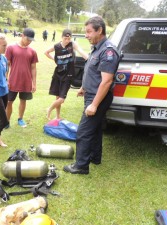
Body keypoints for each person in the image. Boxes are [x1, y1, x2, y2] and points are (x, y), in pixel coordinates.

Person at [63, 16, 119, 175]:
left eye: (89, 31)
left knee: (84, 132)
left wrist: (94, 104)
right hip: (92, 94)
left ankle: (81, 166)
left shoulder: (108, 51)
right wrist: (83, 87)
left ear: (99, 30)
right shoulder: (97, 48)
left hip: (98, 98)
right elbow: (93, 72)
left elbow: (106, 81)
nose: (86, 35)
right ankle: (95, 157)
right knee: (95, 129)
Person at [45, 29, 88, 120]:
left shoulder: (73, 44)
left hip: (68, 75)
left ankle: (49, 109)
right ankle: (58, 116)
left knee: (62, 99)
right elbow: (46, 52)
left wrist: (89, 59)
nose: (67, 41)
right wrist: (55, 60)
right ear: (62, 37)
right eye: (65, 38)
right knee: (58, 97)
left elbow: (82, 52)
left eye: (69, 39)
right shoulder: (56, 46)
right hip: (58, 74)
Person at [5, 28, 38, 128]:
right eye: (28, 39)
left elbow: (33, 68)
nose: (29, 42)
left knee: (23, 100)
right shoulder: (11, 48)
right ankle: (6, 121)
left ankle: (20, 118)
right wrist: (6, 79)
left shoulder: (32, 51)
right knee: (9, 101)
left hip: (26, 81)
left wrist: (34, 83)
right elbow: (6, 65)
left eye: (31, 40)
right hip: (13, 81)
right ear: (22, 36)